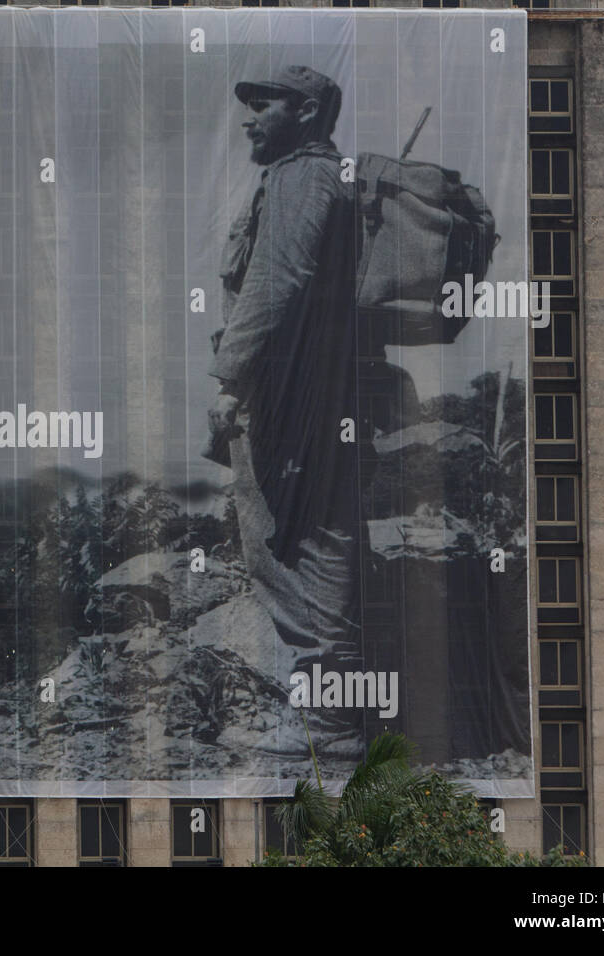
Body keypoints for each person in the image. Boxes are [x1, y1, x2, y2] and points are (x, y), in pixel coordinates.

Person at [205, 64, 367, 665]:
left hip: (289, 393)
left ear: (305, 112)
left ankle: (329, 721)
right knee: (305, 531)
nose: (249, 119)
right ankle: (329, 705)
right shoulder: (306, 176)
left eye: (263, 105)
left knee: (288, 538)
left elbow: (275, 281)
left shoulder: (303, 178)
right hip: (304, 387)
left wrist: (229, 378)